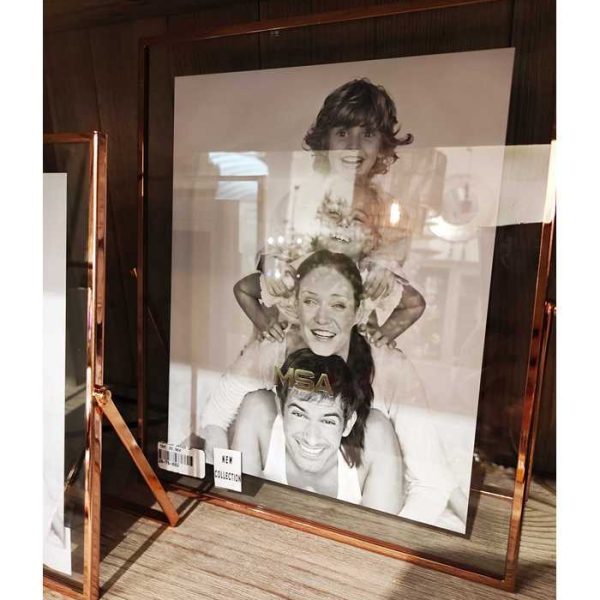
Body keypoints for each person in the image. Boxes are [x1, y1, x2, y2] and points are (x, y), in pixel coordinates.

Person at [200, 250, 458, 526]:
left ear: (358, 312)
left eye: (338, 304)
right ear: (296, 305)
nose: (322, 318)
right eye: (311, 301)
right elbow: (215, 420)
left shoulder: (388, 367)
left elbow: (431, 485)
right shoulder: (273, 350)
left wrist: (383, 537)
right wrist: (228, 493)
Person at [232, 348, 403, 513]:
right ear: (280, 408)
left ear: (348, 424)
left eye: (328, 421)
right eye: (299, 414)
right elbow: (238, 508)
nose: (311, 438)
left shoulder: (376, 435)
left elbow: (382, 530)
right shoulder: (258, 411)